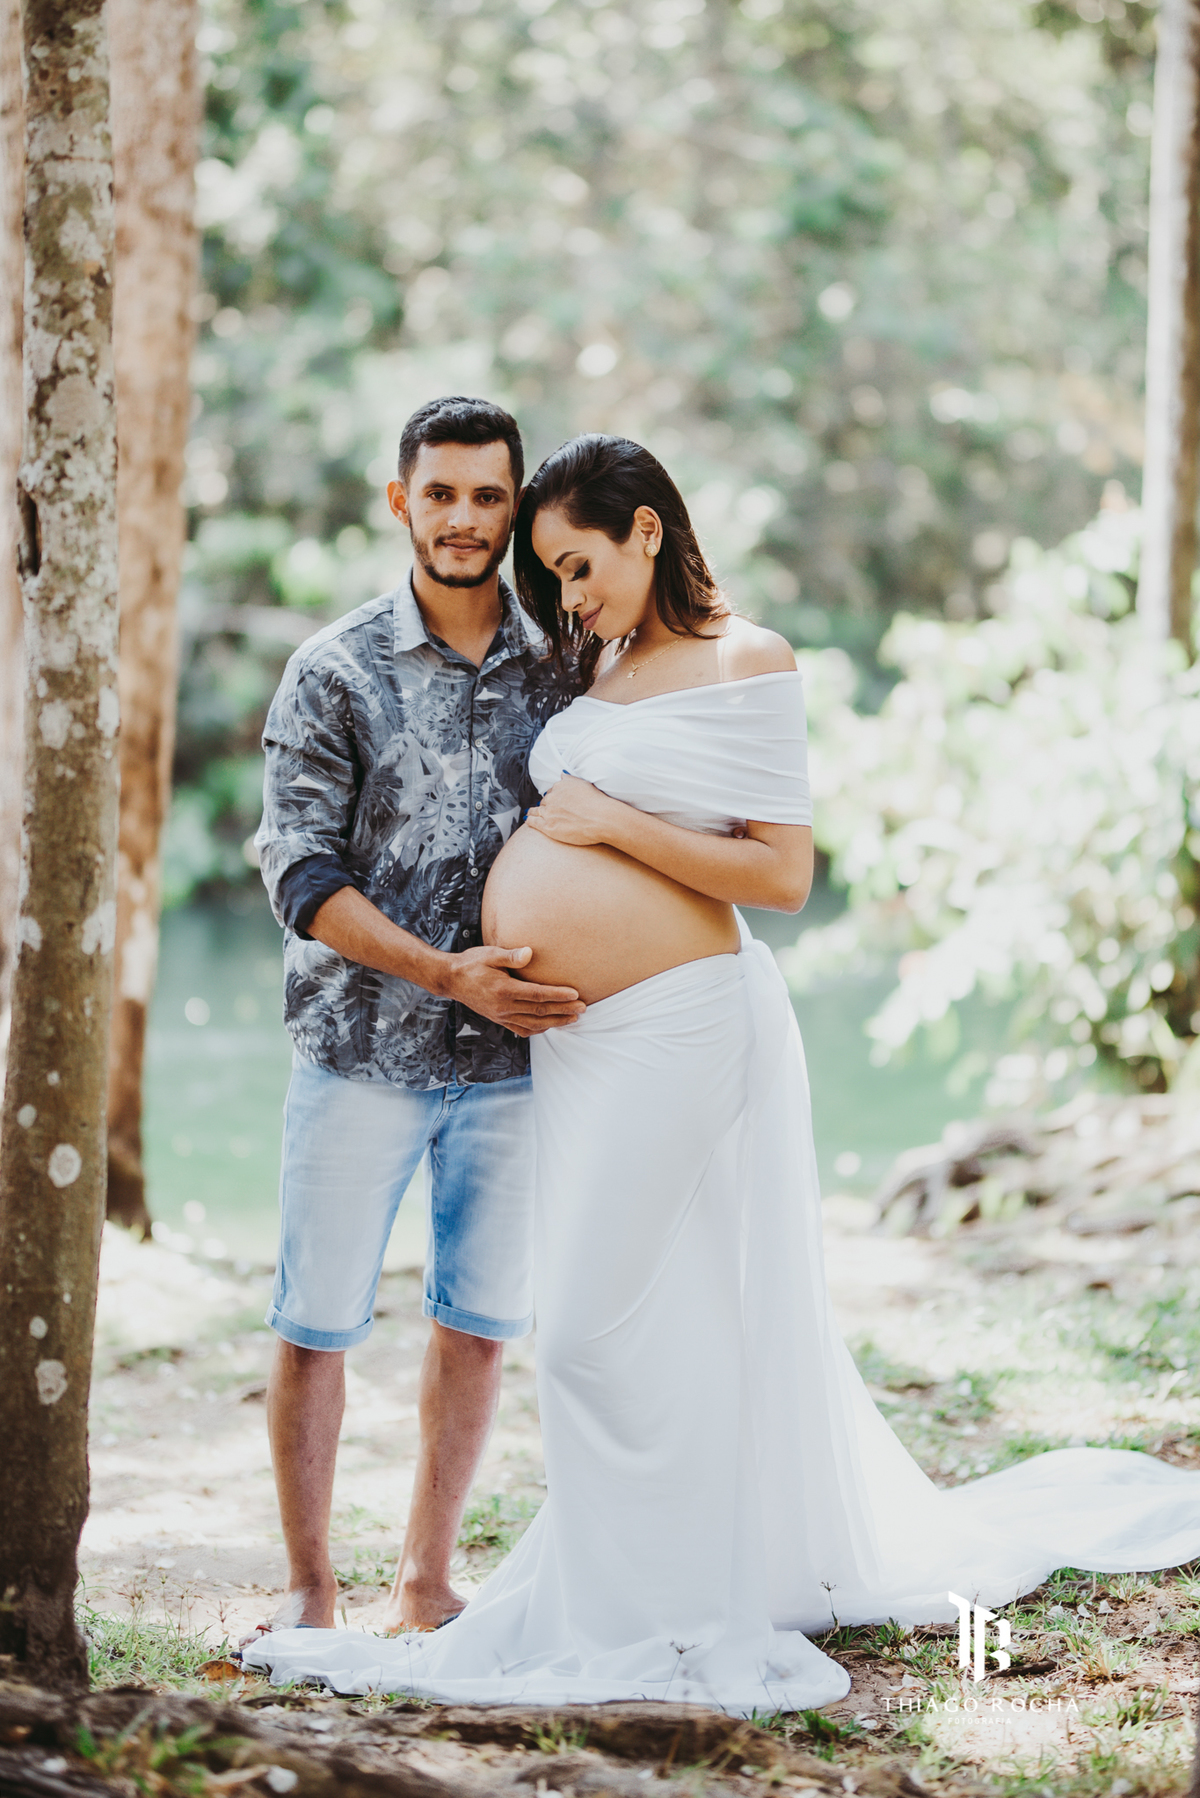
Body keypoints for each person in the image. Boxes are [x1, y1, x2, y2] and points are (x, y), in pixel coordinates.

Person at [246, 435, 1200, 1711]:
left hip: (678, 1025)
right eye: (552, 572)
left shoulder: (749, 657)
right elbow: (317, 857)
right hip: (535, 1046)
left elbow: (782, 875)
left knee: (577, 1333)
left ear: (646, 530)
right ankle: (617, 1582)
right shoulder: (582, 658)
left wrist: (608, 823)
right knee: (633, 1318)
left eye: (578, 563)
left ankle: (660, 1605)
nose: (567, 592)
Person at [251, 396, 582, 1638]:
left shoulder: (567, 669)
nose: (463, 518)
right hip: (357, 1055)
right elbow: (300, 877)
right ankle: (310, 1590)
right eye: (440, 493)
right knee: (315, 1323)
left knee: (480, 1323)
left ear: (516, 509)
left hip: (518, 1064)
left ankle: (425, 1583)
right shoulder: (332, 669)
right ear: (401, 500)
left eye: (488, 496)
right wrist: (448, 975)